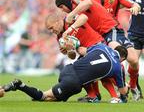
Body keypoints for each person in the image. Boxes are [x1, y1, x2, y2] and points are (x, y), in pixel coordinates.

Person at [0, 14, 129, 102]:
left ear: (57, 22)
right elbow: (73, 55)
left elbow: (84, 17)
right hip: (76, 73)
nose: (52, 31)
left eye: (52, 28)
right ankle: (20, 85)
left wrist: (71, 30)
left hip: (77, 62)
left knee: (98, 73)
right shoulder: (60, 38)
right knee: (46, 97)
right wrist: (71, 49)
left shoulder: (69, 19)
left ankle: (96, 96)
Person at [55, 0, 141, 101]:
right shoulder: (76, 12)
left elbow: (87, 5)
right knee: (93, 66)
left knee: (119, 60)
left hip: (109, 29)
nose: (63, 11)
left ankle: (125, 86)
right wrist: (70, 49)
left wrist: (71, 18)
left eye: (62, 7)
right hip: (99, 36)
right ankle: (99, 95)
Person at [90, 0, 143, 99]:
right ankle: (121, 87)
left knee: (134, 60)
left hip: (116, 31)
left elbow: (134, 5)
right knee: (113, 59)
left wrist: (135, 8)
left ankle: (133, 86)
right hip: (102, 35)